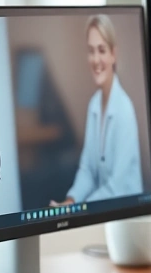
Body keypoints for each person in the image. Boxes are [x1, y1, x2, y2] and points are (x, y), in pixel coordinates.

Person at [51, 14, 143, 205]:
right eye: (91, 51)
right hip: (104, 214)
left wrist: (79, 210)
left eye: (101, 50)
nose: (95, 59)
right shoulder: (94, 104)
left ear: (113, 54)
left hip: (127, 217)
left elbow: (116, 187)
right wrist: (70, 202)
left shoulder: (124, 110)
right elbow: (87, 170)